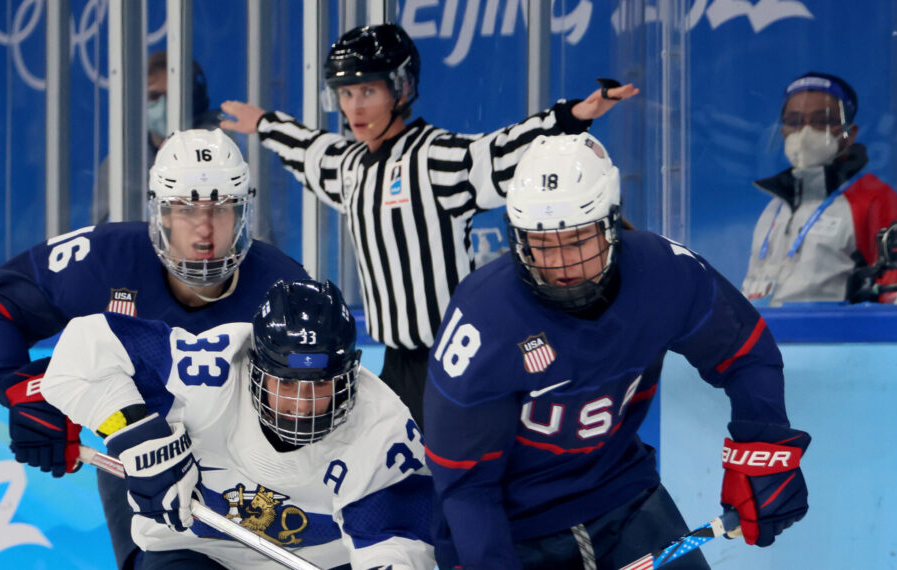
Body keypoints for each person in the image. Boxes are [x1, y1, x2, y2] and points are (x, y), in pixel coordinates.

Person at [219, 23, 639, 429]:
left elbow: (500, 151)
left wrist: (570, 116)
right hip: (395, 363)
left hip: (455, 356)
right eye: (345, 93)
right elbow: (311, 150)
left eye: (368, 90)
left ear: (400, 89)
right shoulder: (351, 168)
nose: (355, 107)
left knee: (459, 477)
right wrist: (264, 124)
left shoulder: (434, 158)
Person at [423, 134, 810, 569]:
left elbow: (746, 352)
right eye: (542, 243)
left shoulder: (665, 274)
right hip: (515, 530)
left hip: (624, 500)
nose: (559, 264)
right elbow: (466, 487)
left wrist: (764, 450)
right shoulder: (483, 320)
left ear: (611, 225)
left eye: (577, 240)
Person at [0, 129, 310, 570]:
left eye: (221, 208)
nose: (203, 227)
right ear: (159, 213)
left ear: (244, 213)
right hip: (142, 462)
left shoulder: (288, 289)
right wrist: (28, 391)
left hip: (258, 482)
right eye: (185, 208)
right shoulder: (103, 259)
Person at [39, 279, 434, 569]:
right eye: (287, 382)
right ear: (255, 367)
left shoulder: (382, 430)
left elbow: (395, 545)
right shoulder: (209, 373)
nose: (301, 405)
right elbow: (82, 351)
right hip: (194, 550)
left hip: (322, 562)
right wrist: (134, 433)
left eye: (321, 384)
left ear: (349, 377)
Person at [742, 71, 897, 306]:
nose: (805, 132)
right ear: (782, 130)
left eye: (822, 121)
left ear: (849, 134)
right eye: (794, 121)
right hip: (767, 336)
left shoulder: (874, 201)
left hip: (835, 339)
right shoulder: (775, 207)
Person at [93, 50, 222, 224]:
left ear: (195, 98)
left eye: (172, 96)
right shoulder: (118, 165)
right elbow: (104, 237)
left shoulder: (224, 150)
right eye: (153, 96)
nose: (163, 104)